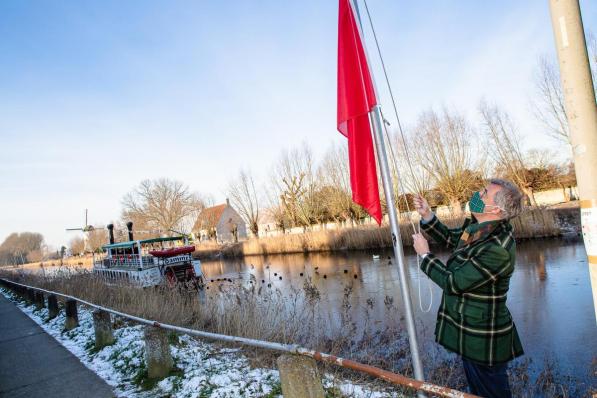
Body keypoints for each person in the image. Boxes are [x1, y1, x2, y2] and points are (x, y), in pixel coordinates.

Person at [412, 179, 525, 398]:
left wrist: (425, 255)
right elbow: (450, 238)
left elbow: (453, 282)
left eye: (483, 193)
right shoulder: (480, 229)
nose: (476, 194)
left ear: (494, 209)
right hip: (472, 333)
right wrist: (427, 215)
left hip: (483, 340)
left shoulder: (497, 248)